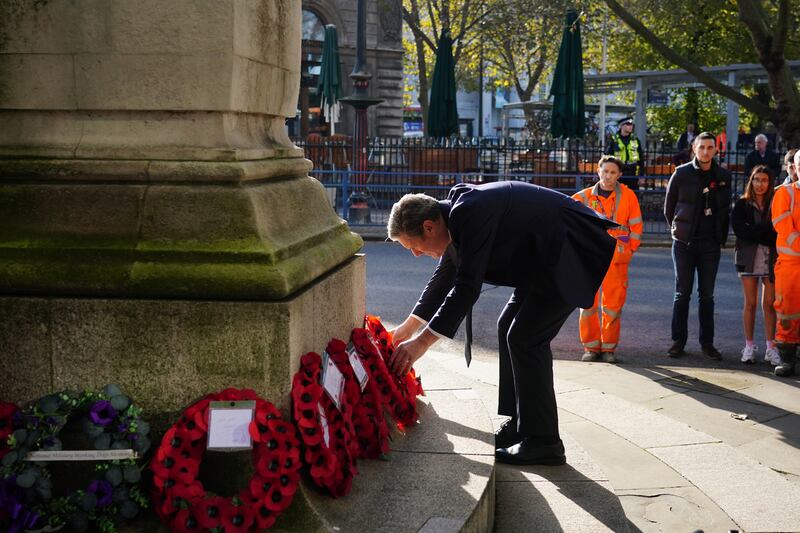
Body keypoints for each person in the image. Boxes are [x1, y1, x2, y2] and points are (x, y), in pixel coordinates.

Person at [386, 182, 616, 465]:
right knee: (507, 325)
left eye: (413, 246)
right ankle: (521, 423)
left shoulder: (468, 214)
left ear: (429, 226)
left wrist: (421, 343)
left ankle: (544, 441)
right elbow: (445, 278)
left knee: (525, 337)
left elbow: (466, 287)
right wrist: (407, 329)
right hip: (541, 261)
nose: (416, 254)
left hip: (569, 252)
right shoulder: (455, 217)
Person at [664, 132, 732, 359]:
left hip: (710, 244)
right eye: (701, 147)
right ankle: (678, 341)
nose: (705, 151)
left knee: (707, 296)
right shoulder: (681, 174)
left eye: (710, 147)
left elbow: (725, 209)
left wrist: (719, 235)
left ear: (716, 150)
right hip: (684, 243)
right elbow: (669, 207)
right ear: (694, 148)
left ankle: (707, 343)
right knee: (682, 293)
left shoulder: (723, 175)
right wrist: (678, 230)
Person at [572, 156, 643, 363]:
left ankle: (609, 349)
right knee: (588, 305)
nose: (608, 176)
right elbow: (569, 222)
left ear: (619, 175)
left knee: (613, 306)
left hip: (616, 259)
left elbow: (636, 227)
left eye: (613, 172)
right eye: (605, 171)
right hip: (589, 258)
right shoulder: (583, 197)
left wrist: (629, 250)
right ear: (598, 171)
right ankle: (591, 347)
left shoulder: (628, 197)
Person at [732, 166, 778, 364]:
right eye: (757, 179)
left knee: (769, 304)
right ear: (751, 181)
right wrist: (764, 231)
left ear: (770, 182)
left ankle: (771, 347)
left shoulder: (775, 202)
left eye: (764, 180)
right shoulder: (742, 204)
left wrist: (757, 231)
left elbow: (776, 231)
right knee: (750, 304)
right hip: (748, 257)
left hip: (770, 258)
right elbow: (741, 231)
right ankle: (749, 346)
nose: (760, 184)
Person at [770, 150, 800, 377]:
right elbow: (784, 227)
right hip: (790, 266)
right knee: (787, 312)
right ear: (795, 168)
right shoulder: (785, 194)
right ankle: (787, 360)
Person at [605, 117, 644, 190]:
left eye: (631, 124)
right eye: (628, 124)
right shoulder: (614, 140)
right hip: (619, 172)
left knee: (632, 196)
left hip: (633, 172)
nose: (631, 126)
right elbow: (607, 158)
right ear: (621, 126)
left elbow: (641, 159)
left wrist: (641, 176)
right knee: (618, 196)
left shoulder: (635, 140)